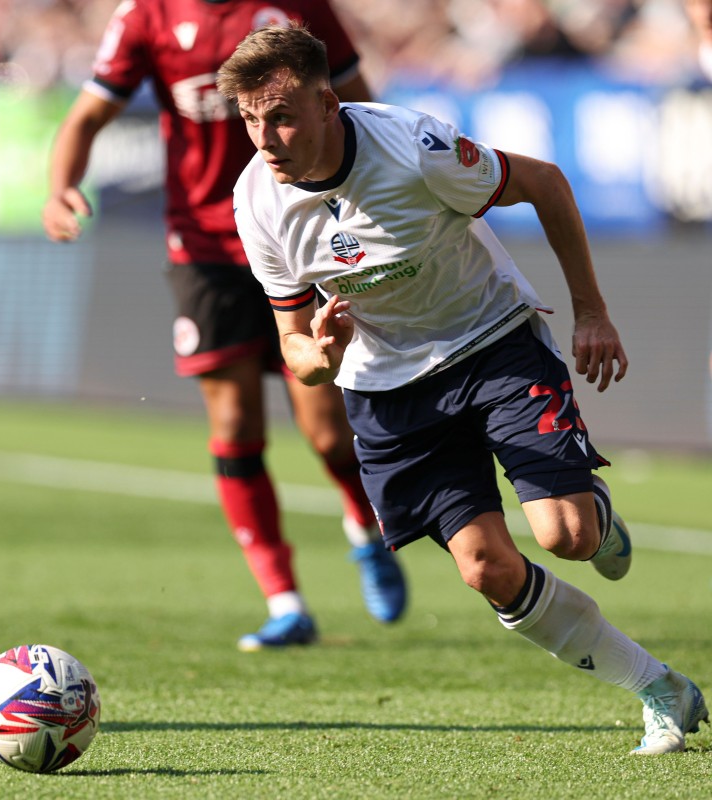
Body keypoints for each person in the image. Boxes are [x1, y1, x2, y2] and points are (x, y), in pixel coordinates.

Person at [217, 22, 708, 753]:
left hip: (491, 343)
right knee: (486, 568)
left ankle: (596, 514)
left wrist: (592, 312)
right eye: (251, 119)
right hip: (389, 392)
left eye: (281, 115)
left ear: (327, 103)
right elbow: (295, 345)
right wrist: (320, 354)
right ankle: (658, 688)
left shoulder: (413, 146)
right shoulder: (256, 200)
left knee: (567, 536)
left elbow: (543, 181)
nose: (266, 138)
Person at [41, 1, 407, 652]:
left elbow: (358, 105)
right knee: (234, 423)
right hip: (203, 247)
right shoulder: (146, 16)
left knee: (326, 430)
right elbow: (87, 115)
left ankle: (364, 526)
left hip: (297, 232)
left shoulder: (299, 6)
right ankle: (284, 601)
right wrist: (60, 186)